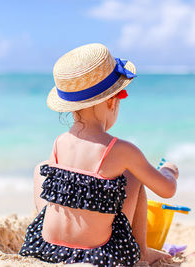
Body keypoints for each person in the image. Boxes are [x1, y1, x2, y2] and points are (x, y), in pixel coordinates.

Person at [19, 43, 179, 267]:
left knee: (42, 168)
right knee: (134, 176)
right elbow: (166, 190)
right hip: (101, 254)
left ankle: (51, 226)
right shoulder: (123, 150)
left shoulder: (59, 142)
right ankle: (142, 252)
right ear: (112, 101)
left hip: (46, 248)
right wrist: (169, 171)